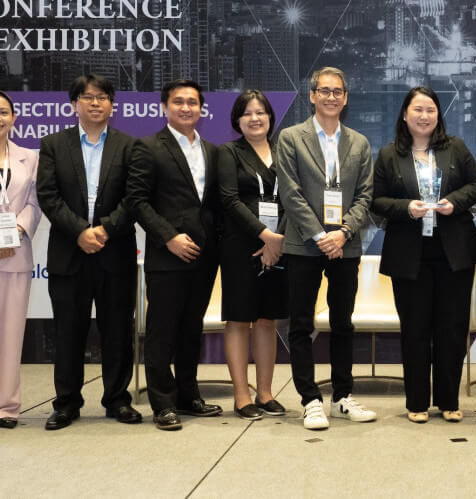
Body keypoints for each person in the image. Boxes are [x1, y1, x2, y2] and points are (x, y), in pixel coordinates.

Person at [372, 86, 476, 423]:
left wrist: (455, 202)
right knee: (415, 329)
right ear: (405, 115)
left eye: (430, 110)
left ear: (438, 115)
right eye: (418, 110)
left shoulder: (456, 148)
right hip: (409, 254)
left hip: (454, 252)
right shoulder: (389, 154)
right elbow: (376, 200)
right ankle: (417, 402)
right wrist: (406, 207)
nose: (424, 116)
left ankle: (449, 400)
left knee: (452, 328)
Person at [36, 75, 140, 430]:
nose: (95, 103)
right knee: (68, 331)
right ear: (74, 104)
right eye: (88, 97)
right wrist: (80, 230)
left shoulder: (129, 146)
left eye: (103, 97)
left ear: (113, 105)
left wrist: (105, 229)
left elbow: (134, 197)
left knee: (117, 331)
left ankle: (117, 399)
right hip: (70, 252)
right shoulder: (53, 144)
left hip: (115, 252)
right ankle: (66, 403)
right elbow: (48, 195)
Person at [275, 67, 376, 430]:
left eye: (337, 91)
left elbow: (365, 194)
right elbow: (290, 193)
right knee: (301, 324)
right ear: (312, 95)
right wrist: (321, 235)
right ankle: (310, 400)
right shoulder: (291, 137)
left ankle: (342, 397)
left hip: (345, 246)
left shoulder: (359, 143)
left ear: (345, 98)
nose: (331, 97)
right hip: (304, 244)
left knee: (342, 323)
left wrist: (344, 231)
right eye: (324, 90)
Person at [127, 79, 223, 431]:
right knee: (162, 331)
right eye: (178, 102)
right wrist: (168, 237)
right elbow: (137, 200)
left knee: (190, 330)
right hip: (168, 256)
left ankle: (188, 395)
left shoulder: (212, 150)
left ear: (201, 108)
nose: (186, 107)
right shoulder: (148, 147)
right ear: (164, 107)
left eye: (192, 102)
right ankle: (163, 403)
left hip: (204, 256)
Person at [218, 90, 288, 421]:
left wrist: (278, 240)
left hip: (278, 246)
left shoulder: (284, 152)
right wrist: (266, 236)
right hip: (240, 245)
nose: (255, 118)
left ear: (270, 117)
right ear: (237, 119)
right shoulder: (229, 152)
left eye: (261, 112)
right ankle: (241, 395)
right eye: (247, 113)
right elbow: (229, 200)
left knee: (266, 319)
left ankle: (265, 392)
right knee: (239, 318)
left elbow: (294, 198)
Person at [0, 92, 41, 429]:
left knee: (11, 334)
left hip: (15, 253)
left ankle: (6, 407)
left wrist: (16, 229)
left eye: (3, 112)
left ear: (14, 118)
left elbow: (36, 201)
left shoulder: (30, 157)